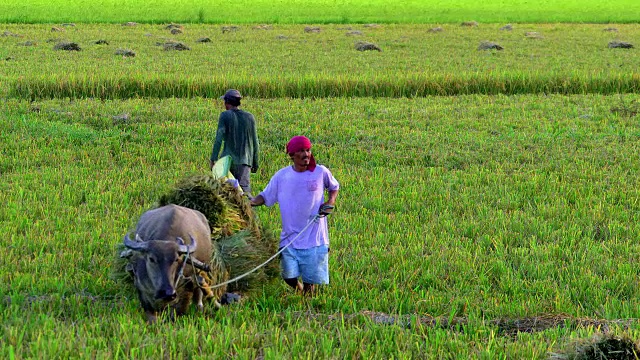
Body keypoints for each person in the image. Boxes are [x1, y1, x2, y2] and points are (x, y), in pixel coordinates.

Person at [250, 136, 339, 295]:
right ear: (292, 155)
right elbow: (265, 195)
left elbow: (334, 187)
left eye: (308, 150)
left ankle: (308, 307)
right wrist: (250, 202)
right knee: (288, 275)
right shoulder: (282, 176)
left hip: (314, 236)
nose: (306, 154)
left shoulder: (320, 172)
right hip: (290, 237)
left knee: (310, 281)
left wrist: (330, 202)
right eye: (301, 151)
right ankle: (299, 290)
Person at [210, 89, 259, 195]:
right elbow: (255, 142)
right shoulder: (250, 117)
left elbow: (218, 139)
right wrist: (255, 162)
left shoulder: (225, 115)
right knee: (244, 193)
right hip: (245, 162)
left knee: (226, 192)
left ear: (227, 103)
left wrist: (213, 159)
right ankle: (249, 211)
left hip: (227, 161)